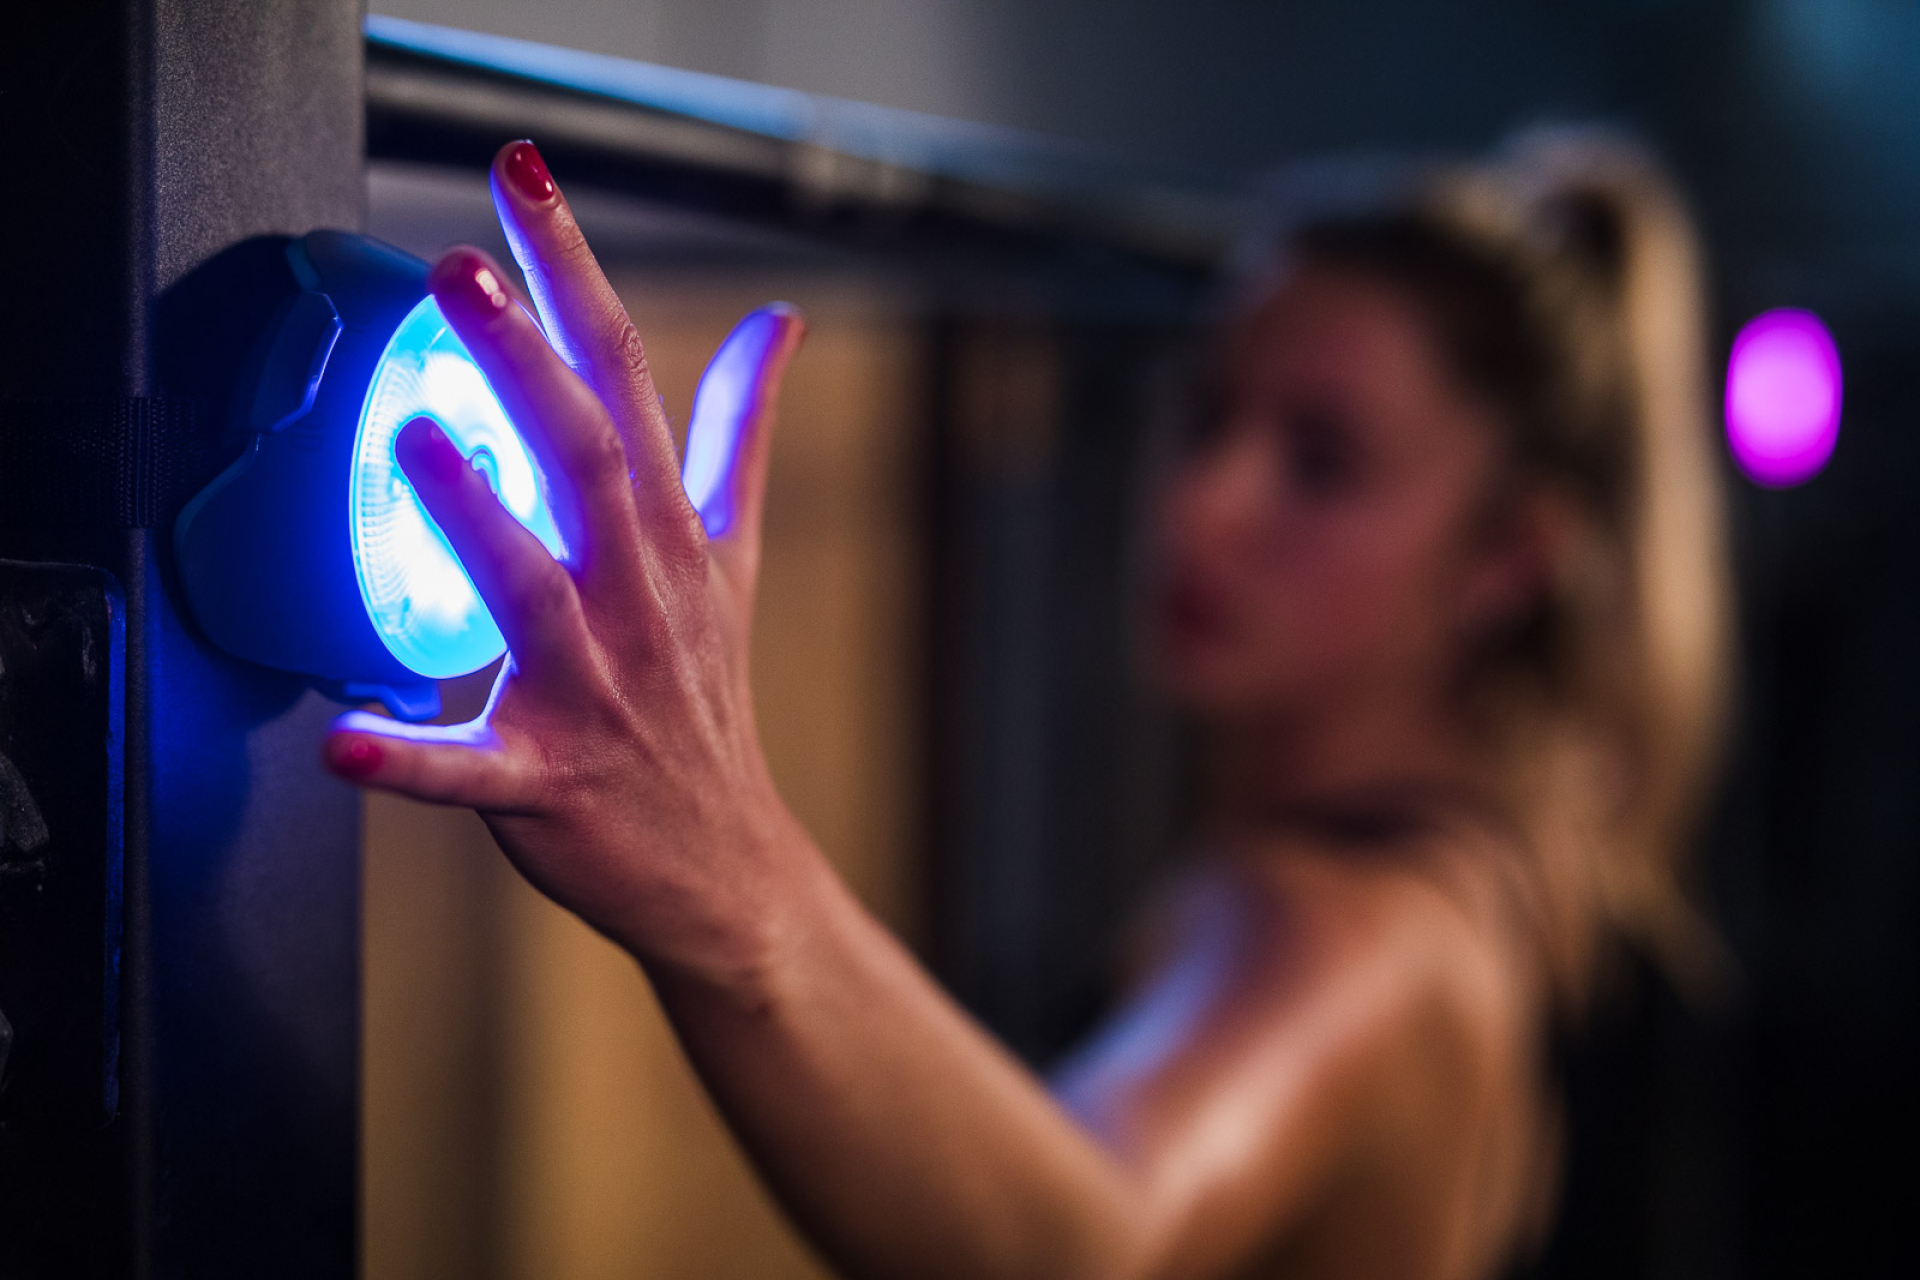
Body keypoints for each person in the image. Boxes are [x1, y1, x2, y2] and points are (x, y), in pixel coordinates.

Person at [325, 131, 1729, 1279]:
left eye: (1322, 458)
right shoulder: (1480, 892)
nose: (1203, 503)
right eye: (1210, 413)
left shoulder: (1341, 928)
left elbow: (1089, 1239)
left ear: (1510, 558)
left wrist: (732, 879)